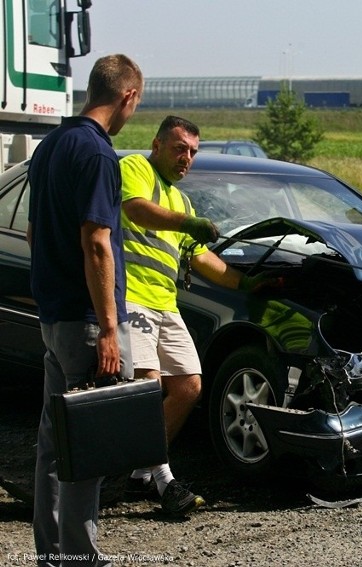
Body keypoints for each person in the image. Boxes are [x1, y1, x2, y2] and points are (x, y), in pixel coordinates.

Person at [119, 115, 271, 515]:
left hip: (165, 304)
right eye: (179, 148)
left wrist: (249, 285)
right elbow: (135, 210)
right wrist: (190, 222)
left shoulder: (180, 198)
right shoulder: (135, 168)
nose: (187, 158)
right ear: (156, 145)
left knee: (188, 386)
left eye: (193, 152)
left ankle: (139, 471)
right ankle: (165, 482)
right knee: (148, 389)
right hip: (131, 300)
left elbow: (201, 258)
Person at [28, 53, 143, 567]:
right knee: (89, 445)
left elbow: (34, 233)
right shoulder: (98, 155)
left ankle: (52, 553)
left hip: (54, 317)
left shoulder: (50, 145)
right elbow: (98, 241)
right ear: (127, 96)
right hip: (86, 321)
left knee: (55, 443)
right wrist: (110, 329)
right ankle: (79, 556)